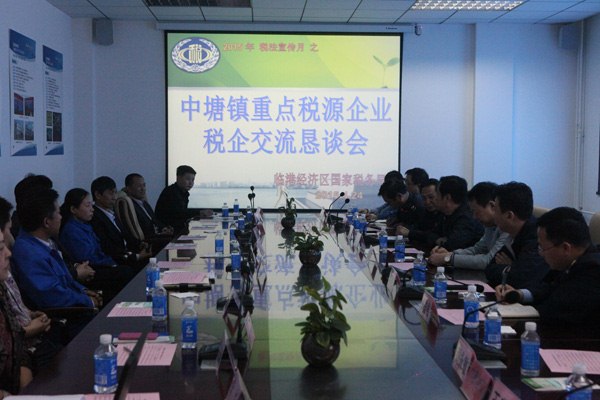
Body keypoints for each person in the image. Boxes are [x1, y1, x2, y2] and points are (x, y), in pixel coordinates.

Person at [10, 187, 100, 341]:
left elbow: (65, 278)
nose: (61, 216)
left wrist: (84, 291)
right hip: (61, 320)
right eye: (58, 213)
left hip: (73, 306)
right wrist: (87, 301)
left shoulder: (46, 242)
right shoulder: (28, 252)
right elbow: (52, 296)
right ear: (46, 222)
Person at [496, 207, 600, 328]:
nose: (540, 254)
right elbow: (549, 288)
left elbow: (553, 313)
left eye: (542, 248)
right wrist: (519, 294)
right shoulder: (573, 261)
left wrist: (514, 318)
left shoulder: (593, 272)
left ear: (565, 248)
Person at [0, 197, 61, 380]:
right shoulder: (26, 250)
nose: (9, 252)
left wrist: (31, 314)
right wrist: (29, 330)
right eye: (1, 247)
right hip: (25, 347)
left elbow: (15, 311)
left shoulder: (4, 274)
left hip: (28, 345)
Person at [59, 188, 134, 303]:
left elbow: (99, 250)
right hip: (90, 272)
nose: (92, 209)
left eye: (92, 205)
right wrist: (111, 264)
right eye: (87, 206)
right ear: (73, 209)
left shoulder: (85, 225)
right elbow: (87, 259)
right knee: (125, 272)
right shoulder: (71, 231)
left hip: (100, 264)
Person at [429, 182, 510, 271]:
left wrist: (447, 259)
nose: (474, 217)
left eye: (476, 211)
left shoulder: (507, 228)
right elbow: (477, 249)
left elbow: (488, 261)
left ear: (492, 206)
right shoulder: (490, 225)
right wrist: (450, 254)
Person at [485, 182, 549, 288]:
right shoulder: (512, 233)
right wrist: (512, 268)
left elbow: (520, 279)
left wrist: (512, 267)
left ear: (509, 216)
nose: (493, 215)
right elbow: (489, 269)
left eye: (495, 210)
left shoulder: (537, 238)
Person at [90, 176, 151, 269]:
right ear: (98, 195)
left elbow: (125, 235)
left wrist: (140, 244)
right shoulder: (95, 217)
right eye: (111, 193)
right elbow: (108, 247)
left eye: (115, 192)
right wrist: (136, 256)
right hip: (118, 260)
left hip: (128, 254)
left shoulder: (111, 212)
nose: (115, 197)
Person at [0, 227, 29, 396]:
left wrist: (27, 392)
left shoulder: (2, 290)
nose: (8, 253)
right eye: (0, 249)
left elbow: (19, 346)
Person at [428, 176, 483, 251]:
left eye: (437, 194)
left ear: (447, 198)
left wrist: (442, 241)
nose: (436, 198)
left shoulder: (466, 217)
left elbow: (451, 245)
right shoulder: (444, 212)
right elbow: (430, 235)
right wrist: (438, 240)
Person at [123, 173, 173, 239]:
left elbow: (154, 220)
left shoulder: (144, 203)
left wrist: (164, 228)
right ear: (128, 189)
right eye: (139, 186)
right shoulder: (129, 206)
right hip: (150, 240)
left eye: (144, 185)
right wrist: (159, 234)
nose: (143, 189)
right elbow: (141, 230)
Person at [396, 178, 442, 248]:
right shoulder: (424, 212)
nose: (427, 202)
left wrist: (410, 233)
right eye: (424, 198)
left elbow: (433, 236)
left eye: (431, 197)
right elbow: (417, 227)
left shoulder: (445, 214)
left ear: (440, 196)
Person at [155, 165, 199, 233]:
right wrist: (199, 212)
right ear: (178, 178)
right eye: (188, 179)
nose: (191, 183)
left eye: (193, 180)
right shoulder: (170, 192)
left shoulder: (183, 193)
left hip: (177, 229)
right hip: (168, 232)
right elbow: (180, 214)